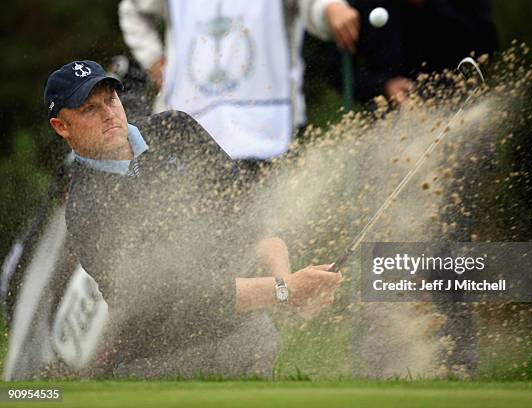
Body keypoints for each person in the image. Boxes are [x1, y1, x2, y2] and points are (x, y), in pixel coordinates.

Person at [43, 60, 342, 378]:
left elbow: (250, 222)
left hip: (247, 340)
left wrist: (288, 283)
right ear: (62, 127)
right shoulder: (85, 210)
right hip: (162, 365)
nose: (108, 114)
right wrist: (284, 289)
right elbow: (184, 298)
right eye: (90, 109)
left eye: (111, 100)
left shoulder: (176, 129)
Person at [118, 0, 358, 165]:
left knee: (272, 235)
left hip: (267, 130)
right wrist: (154, 60)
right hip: (191, 130)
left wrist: (332, 8)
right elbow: (133, 10)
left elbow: (314, 5)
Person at [332, 0, 497, 105]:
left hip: (460, 105)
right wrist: (382, 86)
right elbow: (337, 72)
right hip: (392, 124)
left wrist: (430, 5)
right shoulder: (358, 5)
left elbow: (486, 45)